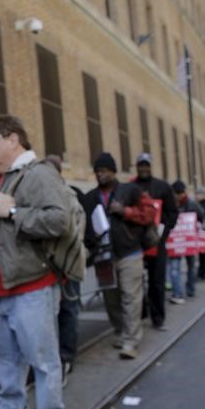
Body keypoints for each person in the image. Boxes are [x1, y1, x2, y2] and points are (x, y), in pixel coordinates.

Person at [0, 114, 69, 409]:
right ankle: (13, 408)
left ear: (13, 139)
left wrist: (15, 213)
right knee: (3, 357)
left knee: (42, 360)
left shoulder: (38, 174)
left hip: (30, 287)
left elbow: (59, 221)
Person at [82, 153, 156, 360]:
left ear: (113, 171)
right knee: (111, 298)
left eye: (104, 170)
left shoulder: (130, 190)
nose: (100, 174)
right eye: (97, 171)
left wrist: (126, 212)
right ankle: (120, 331)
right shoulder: (90, 198)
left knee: (131, 298)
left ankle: (131, 341)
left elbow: (150, 212)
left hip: (130, 252)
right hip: (103, 256)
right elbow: (84, 225)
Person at [45, 155, 84, 387]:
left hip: (66, 266)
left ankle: (66, 356)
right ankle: (58, 358)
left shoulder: (68, 196)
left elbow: (74, 233)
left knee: (68, 311)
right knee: (53, 315)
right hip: (51, 268)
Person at [134, 153, 178, 329]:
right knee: (136, 280)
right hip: (135, 242)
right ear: (137, 167)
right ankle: (142, 311)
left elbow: (172, 213)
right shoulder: (130, 186)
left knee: (157, 281)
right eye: (141, 165)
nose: (144, 168)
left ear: (151, 166)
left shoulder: (163, 187)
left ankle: (158, 317)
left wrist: (164, 231)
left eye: (146, 165)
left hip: (157, 242)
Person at [168, 180, 205, 303]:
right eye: (177, 193)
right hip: (175, 242)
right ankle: (177, 293)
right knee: (174, 268)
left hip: (189, 241)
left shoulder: (192, 204)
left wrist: (199, 229)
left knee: (191, 266)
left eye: (181, 192)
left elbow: (203, 217)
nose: (179, 195)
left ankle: (190, 289)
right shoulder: (170, 204)